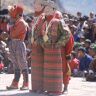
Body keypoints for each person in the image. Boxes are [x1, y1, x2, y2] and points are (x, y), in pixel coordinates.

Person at [41, 0, 73, 95]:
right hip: (49, 51)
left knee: (63, 69)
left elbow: (67, 34)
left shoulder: (58, 18)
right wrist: (45, 44)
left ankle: (65, 87)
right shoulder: (44, 21)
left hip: (60, 50)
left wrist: (59, 44)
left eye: (48, 7)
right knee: (50, 70)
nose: (46, 9)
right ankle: (51, 88)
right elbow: (44, 35)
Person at [6, 5, 29, 90]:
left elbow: (13, 34)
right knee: (16, 64)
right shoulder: (15, 22)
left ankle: (26, 83)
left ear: (18, 13)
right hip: (13, 43)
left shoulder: (21, 22)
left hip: (19, 44)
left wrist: (11, 25)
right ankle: (15, 83)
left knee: (22, 63)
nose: (11, 13)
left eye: (13, 11)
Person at [30, 0, 46, 93]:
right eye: (34, 4)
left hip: (40, 45)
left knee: (40, 67)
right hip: (34, 45)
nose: (35, 6)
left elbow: (44, 31)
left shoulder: (43, 17)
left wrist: (38, 41)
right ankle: (35, 87)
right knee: (34, 67)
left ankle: (41, 87)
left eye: (37, 4)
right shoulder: (35, 16)